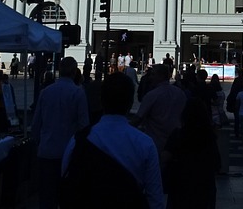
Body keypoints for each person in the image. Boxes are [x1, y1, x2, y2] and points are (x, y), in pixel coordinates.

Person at [61, 72, 164, 209]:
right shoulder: (145, 144)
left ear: (101, 100)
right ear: (130, 103)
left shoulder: (78, 140)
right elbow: (155, 199)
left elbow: (66, 185)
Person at [31, 57, 90, 209]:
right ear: (74, 71)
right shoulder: (78, 93)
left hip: (46, 150)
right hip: (69, 152)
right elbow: (84, 125)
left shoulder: (46, 92)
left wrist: (37, 143)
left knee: (46, 196)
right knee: (67, 196)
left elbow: (36, 123)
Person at [165, 95, 220, 208]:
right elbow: (217, 163)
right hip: (204, 185)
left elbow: (165, 156)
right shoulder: (209, 137)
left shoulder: (178, 135)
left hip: (181, 183)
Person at [135, 63, 186, 156]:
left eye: (153, 74)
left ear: (160, 76)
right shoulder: (180, 93)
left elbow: (139, 117)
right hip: (175, 140)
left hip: (155, 141)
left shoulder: (152, 95)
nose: (151, 77)